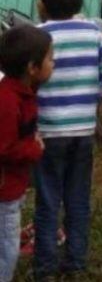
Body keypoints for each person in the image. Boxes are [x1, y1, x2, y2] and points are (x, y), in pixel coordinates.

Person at [34, 0, 102, 281]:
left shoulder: (39, 36)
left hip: (48, 132)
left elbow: (29, 79)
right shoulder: (93, 34)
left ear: (41, 5)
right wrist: (93, 94)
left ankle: (45, 268)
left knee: (47, 200)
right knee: (78, 197)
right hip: (83, 130)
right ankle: (76, 261)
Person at [0, 26, 54, 282]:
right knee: (7, 251)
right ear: (32, 68)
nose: (53, 64)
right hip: (5, 191)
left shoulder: (23, 94)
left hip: (14, 188)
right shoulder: (8, 101)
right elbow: (5, 148)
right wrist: (34, 148)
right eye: (50, 59)